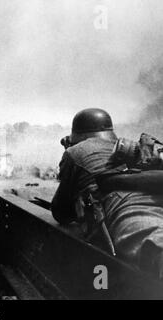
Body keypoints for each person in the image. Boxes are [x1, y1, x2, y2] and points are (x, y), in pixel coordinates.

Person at [52, 108, 163, 278]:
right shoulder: (127, 147)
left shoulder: (74, 152)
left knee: (155, 244)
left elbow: (60, 212)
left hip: (126, 205)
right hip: (155, 194)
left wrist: (68, 160)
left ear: (77, 133)